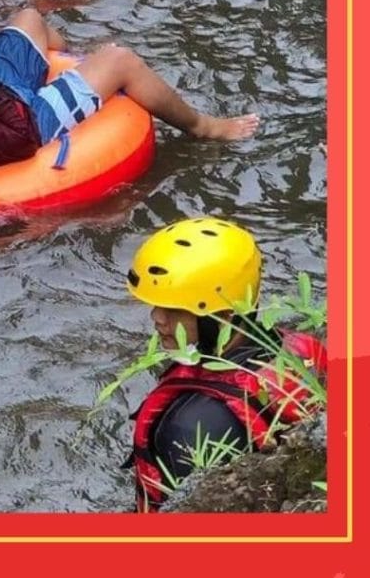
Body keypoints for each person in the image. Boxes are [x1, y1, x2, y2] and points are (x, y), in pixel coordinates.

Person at [0, 5, 260, 175]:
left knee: (29, 16)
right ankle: (205, 127)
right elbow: (20, 140)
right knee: (121, 59)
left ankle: (77, 71)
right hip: (23, 118)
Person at [123, 217, 327, 512]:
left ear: (224, 316)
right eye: (157, 306)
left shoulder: (186, 428)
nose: (157, 318)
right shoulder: (295, 351)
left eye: (175, 309)